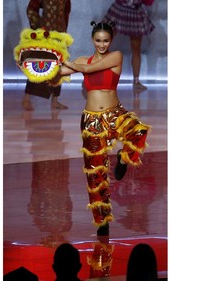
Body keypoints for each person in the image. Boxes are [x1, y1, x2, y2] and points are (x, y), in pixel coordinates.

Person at [58, 21, 151, 236]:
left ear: (111, 41)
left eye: (106, 40)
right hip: (91, 120)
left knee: (138, 131)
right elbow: (55, 74)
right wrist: (35, 68)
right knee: (95, 172)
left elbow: (88, 69)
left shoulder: (115, 56)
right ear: (92, 40)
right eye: (98, 40)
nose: (102, 44)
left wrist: (69, 64)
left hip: (114, 113)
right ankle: (102, 219)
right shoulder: (82, 60)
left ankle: (122, 158)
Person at [22, 0, 71, 111]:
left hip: (59, 34)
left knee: (59, 67)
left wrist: (63, 32)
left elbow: (66, 13)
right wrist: (38, 26)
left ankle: (55, 101)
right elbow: (31, 10)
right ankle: (26, 99)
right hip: (45, 34)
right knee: (39, 65)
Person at [103, 0, 155, 90]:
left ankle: (136, 81)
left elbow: (148, 2)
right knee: (104, 43)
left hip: (134, 11)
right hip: (120, 8)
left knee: (136, 48)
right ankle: (92, 76)